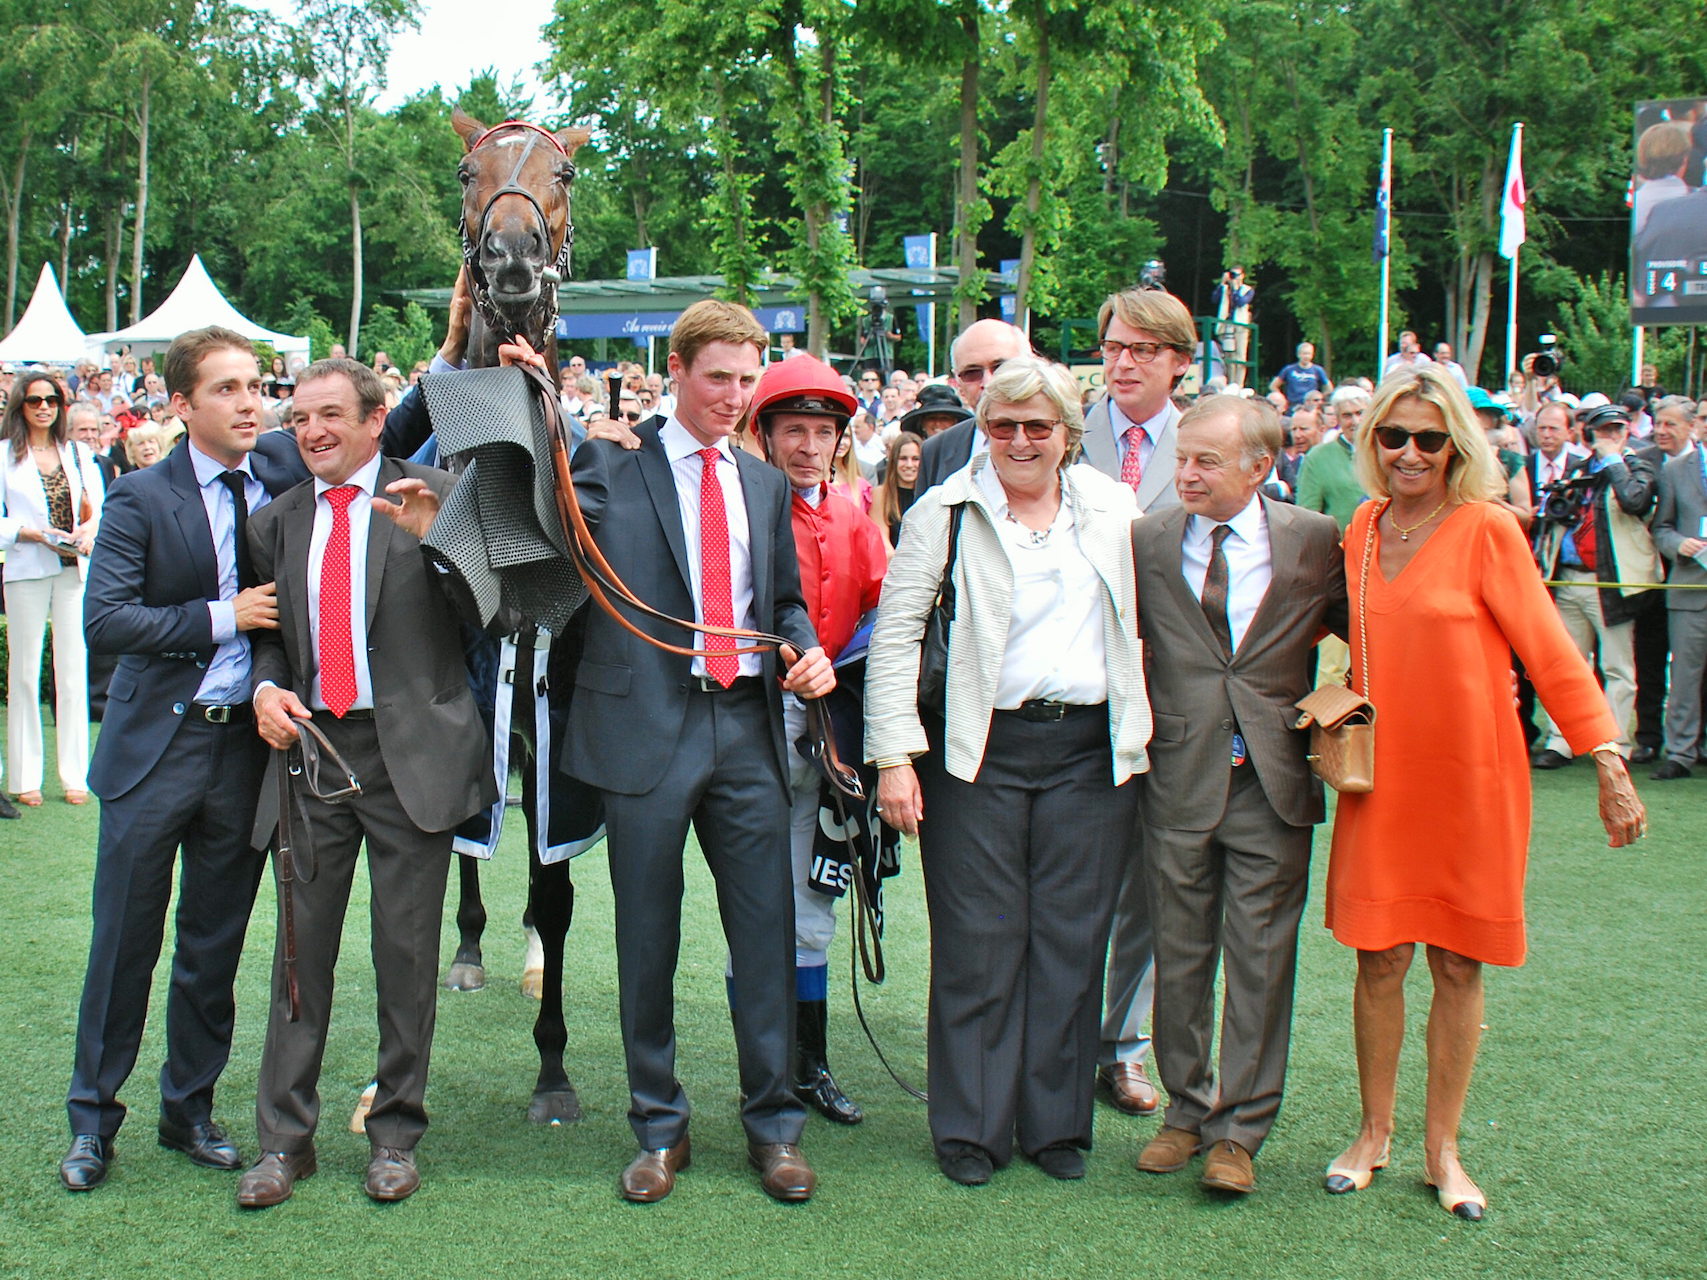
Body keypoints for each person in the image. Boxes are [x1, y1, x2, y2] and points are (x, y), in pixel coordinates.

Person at [1321, 365, 1646, 1221]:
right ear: (1372, 442)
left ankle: (1442, 1148)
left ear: (1456, 445)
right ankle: (1372, 1133)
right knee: (1379, 957)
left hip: (1471, 779)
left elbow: (1549, 651)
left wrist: (1607, 762)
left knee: (1458, 962)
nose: (1410, 453)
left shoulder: (1488, 529)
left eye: (1430, 438)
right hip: (1379, 775)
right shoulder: (1358, 528)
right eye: (1394, 436)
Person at [563, 299, 834, 1204]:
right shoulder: (610, 457)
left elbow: (783, 601)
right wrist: (565, 432)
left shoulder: (761, 481)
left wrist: (804, 645)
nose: (733, 395)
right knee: (648, 941)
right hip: (642, 730)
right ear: (674, 371)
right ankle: (658, 1128)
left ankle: (776, 1128)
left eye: (746, 379)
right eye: (717, 376)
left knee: (766, 937)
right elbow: (549, 542)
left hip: (746, 732)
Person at [865, 357, 1149, 1186]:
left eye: (1039, 427)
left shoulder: (1113, 509)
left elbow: (1145, 626)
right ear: (980, 431)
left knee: (1069, 941)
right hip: (974, 755)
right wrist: (893, 757)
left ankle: (1055, 1127)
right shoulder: (942, 511)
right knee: (977, 946)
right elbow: (895, 638)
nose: (1020, 442)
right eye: (1002, 426)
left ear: (1068, 435)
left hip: (1089, 755)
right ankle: (971, 1130)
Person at [235, 358, 494, 1208]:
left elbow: (506, 612)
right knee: (299, 957)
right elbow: (271, 638)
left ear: (376, 421)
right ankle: (284, 1142)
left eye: (330, 415)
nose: (311, 430)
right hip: (313, 757)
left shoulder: (439, 492)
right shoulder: (274, 521)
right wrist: (266, 686)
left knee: (406, 954)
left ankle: (395, 1136)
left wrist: (441, 546)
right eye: (300, 416)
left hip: (411, 757)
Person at [61, 327, 297, 1192]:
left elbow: (377, 423)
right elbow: (104, 622)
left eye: (254, 387)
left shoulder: (278, 469)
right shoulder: (138, 497)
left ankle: (187, 1110)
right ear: (182, 405)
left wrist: (462, 347)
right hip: (153, 747)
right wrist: (220, 616)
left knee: (212, 943)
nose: (249, 403)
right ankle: (93, 1120)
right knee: (125, 939)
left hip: (242, 750)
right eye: (228, 389)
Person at [1130, 395, 1347, 1196]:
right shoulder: (1146, 540)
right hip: (1175, 774)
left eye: (1204, 462)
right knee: (1178, 953)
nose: (1184, 473)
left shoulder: (1312, 541)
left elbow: (1371, 628)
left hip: (1273, 778)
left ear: (1261, 468)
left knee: (1259, 958)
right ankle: (1184, 1114)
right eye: (1181, 458)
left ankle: (1239, 1133)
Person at [743, 355, 888, 1122]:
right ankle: (762, 1067)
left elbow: (878, 609)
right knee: (753, 902)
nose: (807, 445)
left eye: (822, 431)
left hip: (826, 731)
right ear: (762, 435)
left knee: (812, 903)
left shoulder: (856, 513)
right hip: (750, 727)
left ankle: (809, 1063)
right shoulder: (738, 505)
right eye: (792, 429)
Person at [1080, 286, 1196, 1116]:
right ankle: (1052, 1031)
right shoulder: (1054, 426)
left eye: (1144, 351)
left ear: (1179, 362)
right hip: (1070, 684)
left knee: (1151, 888)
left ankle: (1121, 1047)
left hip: (1169, 694)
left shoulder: (1210, 442)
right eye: (1115, 347)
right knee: (1067, 876)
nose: (1124, 363)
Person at [1530, 404, 1661, 766]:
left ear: (1626, 432)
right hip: (1569, 576)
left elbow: (1635, 500)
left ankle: (1613, 742)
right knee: (1568, 664)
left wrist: (1613, 460)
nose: (1608, 437)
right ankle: (1561, 740)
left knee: (1618, 667)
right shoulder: (1579, 470)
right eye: (1601, 431)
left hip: (1610, 582)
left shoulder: (1637, 466)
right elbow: (1555, 515)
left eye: (1616, 430)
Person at [1, 371, 104, 810]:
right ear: (20, 406)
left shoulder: (78, 453)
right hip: (27, 566)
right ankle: (24, 775)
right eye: (34, 400)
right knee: (24, 672)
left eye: (52, 400)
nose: (44, 407)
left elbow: (100, 508)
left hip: (72, 568)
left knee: (73, 669)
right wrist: (26, 531)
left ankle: (74, 774)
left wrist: (86, 532)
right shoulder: (5, 455)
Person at [1648, 426, 1707, 779]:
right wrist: (1677, 545)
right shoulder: (1674, 470)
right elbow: (1661, 528)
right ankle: (1681, 752)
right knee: (1685, 677)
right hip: (1689, 588)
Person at [914, 319, 1032, 490]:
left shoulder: (1061, 439)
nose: (988, 381)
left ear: (1030, 368)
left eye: (1000, 367)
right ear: (958, 383)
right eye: (971, 373)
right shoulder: (936, 450)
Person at [874, 432, 923, 549]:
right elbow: (882, 541)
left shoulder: (929, 495)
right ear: (894, 461)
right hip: (891, 563)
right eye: (903, 458)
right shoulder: (881, 494)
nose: (909, 464)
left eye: (915, 459)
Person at [1210, 267, 1255, 387]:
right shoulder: (1224, 289)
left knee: (1240, 356)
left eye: (1236, 274)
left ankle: (1238, 384)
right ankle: (1230, 382)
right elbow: (1214, 299)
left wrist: (1235, 288)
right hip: (1226, 324)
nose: (1234, 277)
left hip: (1240, 326)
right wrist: (1222, 283)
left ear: (1243, 276)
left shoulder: (1247, 290)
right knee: (1228, 355)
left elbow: (1240, 302)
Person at [1271, 342, 1331, 409]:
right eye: (1304, 354)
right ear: (1298, 354)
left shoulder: (1318, 370)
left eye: (1309, 354)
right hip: (1292, 407)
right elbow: (1273, 386)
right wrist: (1282, 399)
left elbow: (1329, 388)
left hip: (1311, 408)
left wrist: (1319, 398)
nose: (1306, 356)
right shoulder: (1288, 369)